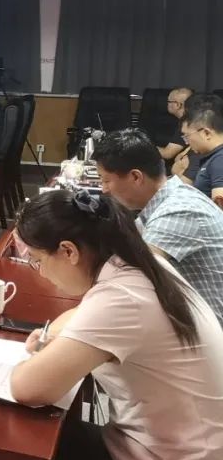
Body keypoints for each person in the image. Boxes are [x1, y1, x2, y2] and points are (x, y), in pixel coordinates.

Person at [9, 189, 223, 460]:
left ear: (68, 251)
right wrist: (51, 337)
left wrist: (26, 361)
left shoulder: (123, 299)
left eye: (37, 261)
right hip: (173, 453)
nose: (40, 272)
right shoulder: (136, 264)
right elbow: (80, 313)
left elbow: (28, 388)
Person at [94, 129, 223, 324]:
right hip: (191, 319)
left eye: (106, 180)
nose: (104, 189)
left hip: (211, 332)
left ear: (136, 177)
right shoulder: (164, 200)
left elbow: (130, 277)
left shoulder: (179, 210)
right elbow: (123, 250)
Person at [178, 93, 223, 204]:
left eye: (187, 136)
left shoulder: (220, 160)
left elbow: (220, 208)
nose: (187, 142)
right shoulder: (214, 157)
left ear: (206, 133)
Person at [158, 87, 194, 162]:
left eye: (169, 101)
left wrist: (144, 147)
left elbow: (167, 154)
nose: (167, 104)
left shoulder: (187, 124)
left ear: (178, 105)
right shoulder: (193, 119)